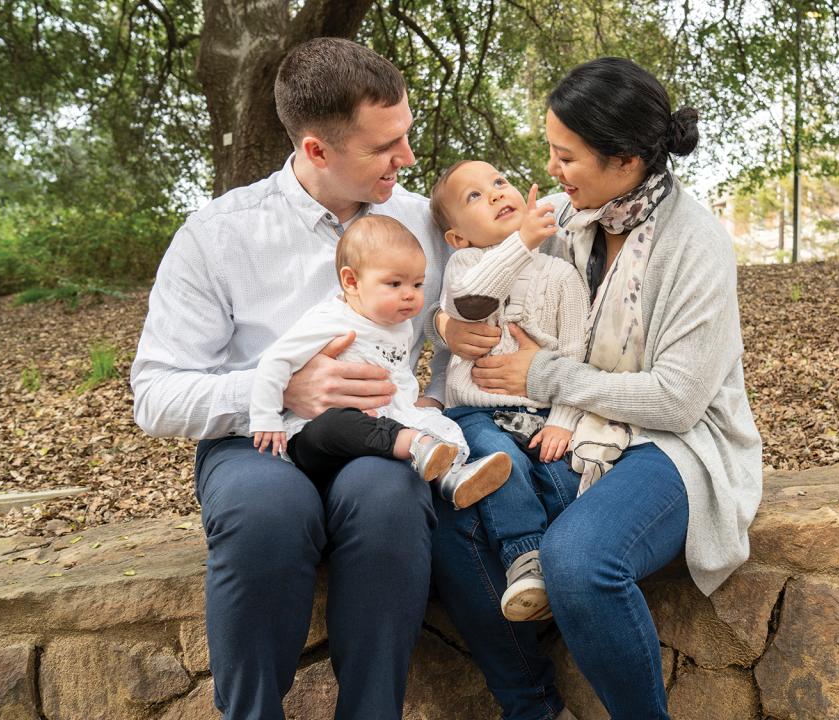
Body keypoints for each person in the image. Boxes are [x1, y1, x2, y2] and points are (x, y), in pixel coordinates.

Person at [428, 57, 763, 720]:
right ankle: (533, 709)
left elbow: (677, 400)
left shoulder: (693, 243)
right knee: (450, 516)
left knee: (579, 562)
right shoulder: (561, 215)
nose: (549, 172)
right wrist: (445, 321)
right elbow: (473, 273)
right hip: (561, 430)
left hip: (674, 445)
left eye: (565, 156)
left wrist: (544, 375)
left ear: (626, 160)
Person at [131, 38, 446, 719]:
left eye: (407, 137)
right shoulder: (217, 235)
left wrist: (438, 390)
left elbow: (469, 321)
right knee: (269, 514)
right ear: (316, 150)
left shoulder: (424, 222)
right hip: (257, 441)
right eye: (384, 147)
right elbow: (154, 395)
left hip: (375, 437)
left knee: (389, 499)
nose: (408, 159)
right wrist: (277, 391)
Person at [249, 214, 512, 508]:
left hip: (387, 420)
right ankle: (417, 446)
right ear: (351, 281)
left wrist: (410, 402)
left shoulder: (398, 323)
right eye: (395, 283)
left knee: (436, 421)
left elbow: (397, 371)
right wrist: (266, 417)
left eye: (417, 284)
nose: (409, 295)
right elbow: (275, 361)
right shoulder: (329, 320)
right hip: (323, 434)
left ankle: (452, 476)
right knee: (335, 425)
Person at [428, 159, 588, 621]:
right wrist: (522, 241)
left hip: (540, 413)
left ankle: (562, 564)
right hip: (476, 414)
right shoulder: (465, 263)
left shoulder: (561, 276)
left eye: (499, 181)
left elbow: (576, 354)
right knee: (504, 461)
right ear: (457, 237)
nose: (496, 193)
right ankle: (525, 558)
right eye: (473, 196)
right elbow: (470, 302)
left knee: (560, 476)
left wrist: (563, 420)